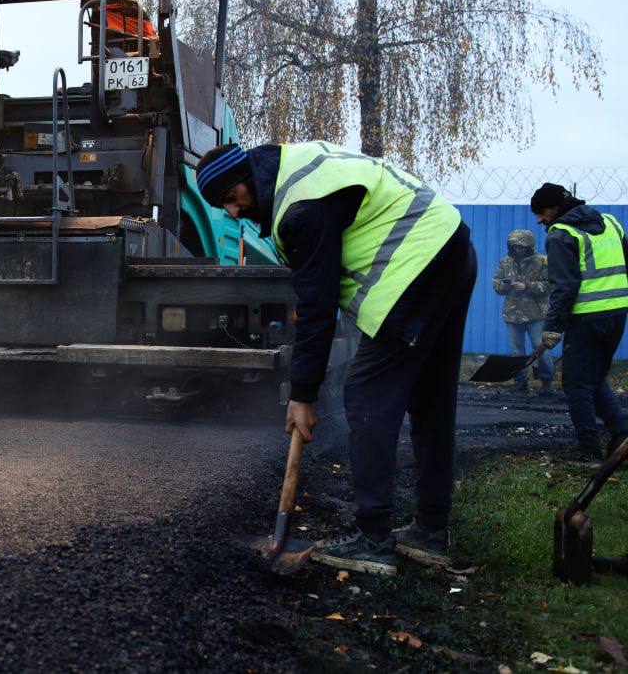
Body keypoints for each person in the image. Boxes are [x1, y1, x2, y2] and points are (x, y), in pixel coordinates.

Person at [195, 141, 476, 575]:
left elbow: (316, 308)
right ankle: (430, 533)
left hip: (418, 264)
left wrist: (302, 395)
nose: (232, 212)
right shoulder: (296, 169)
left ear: (249, 177)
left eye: (233, 198)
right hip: (449, 248)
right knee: (430, 399)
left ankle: (373, 538)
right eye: (222, 206)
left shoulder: (300, 210)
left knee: (365, 394)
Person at [530, 182, 628, 460]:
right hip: (617, 314)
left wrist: (552, 328)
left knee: (576, 384)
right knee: (594, 377)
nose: (539, 219)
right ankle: (621, 434)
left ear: (557, 207)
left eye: (542, 212)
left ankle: (588, 451)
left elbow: (565, 286)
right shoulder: (610, 222)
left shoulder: (561, 234)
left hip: (586, 318)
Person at [491, 229, 555, 393]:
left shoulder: (542, 261)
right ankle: (521, 382)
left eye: (522, 246)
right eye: (515, 246)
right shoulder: (505, 262)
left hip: (536, 313)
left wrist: (527, 287)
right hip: (512, 314)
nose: (518, 249)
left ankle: (546, 382)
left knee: (540, 347)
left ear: (529, 246)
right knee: (516, 351)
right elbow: (496, 284)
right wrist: (503, 286)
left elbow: (549, 286)